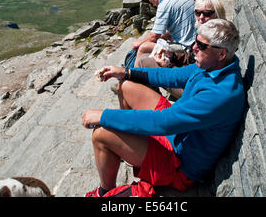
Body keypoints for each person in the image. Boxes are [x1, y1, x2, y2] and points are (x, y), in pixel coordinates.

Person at [82, 19, 245, 197]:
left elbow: (163, 123)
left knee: (101, 134)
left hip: (178, 163)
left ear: (222, 54)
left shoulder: (221, 94)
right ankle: (129, 147)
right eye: (195, 41)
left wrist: (104, 116)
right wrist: (126, 72)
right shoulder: (213, 65)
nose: (193, 48)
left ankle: (105, 190)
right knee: (126, 86)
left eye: (201, 45)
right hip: (176, 133)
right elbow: (172, 76)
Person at [133, 0, 203, 67]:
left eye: (151, 1)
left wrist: (139, 43)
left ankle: (133, 74)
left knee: (143, 47)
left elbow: (154, 36)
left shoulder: (163, 5)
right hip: (197, 39)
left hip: (187, 47)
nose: (153, 5)